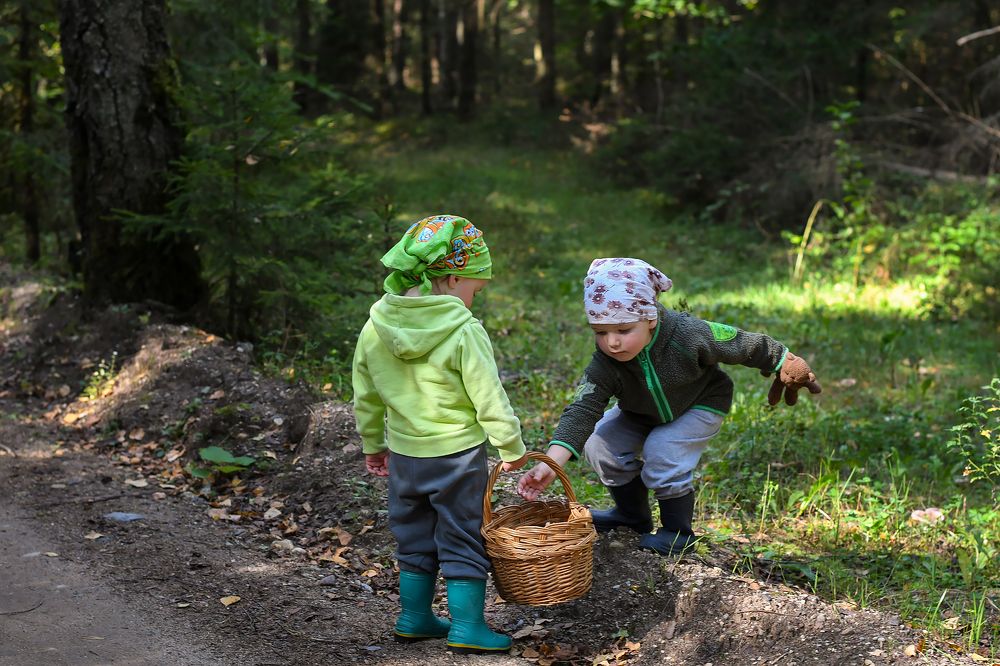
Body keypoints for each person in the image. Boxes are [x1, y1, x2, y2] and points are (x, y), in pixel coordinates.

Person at [517, 257, 821, 555]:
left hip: (699, 404)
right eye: (601, 332)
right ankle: (631, 515)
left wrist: (783, 360)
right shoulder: (606, 363)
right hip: (641, 412)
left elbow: (739, 343)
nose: (612, 342)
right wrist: (550, 464)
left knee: (662, 450)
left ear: (650, 319)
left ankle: (678, 532)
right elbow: (582, 409)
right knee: (599, 443)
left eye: (623, 331)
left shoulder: (686, 335)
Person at [352, 214, 528, 655]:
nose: (474, 299)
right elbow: (489, 396)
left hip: (405, 456)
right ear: (452, 277)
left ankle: (414, 617)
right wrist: (511, 446)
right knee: (463, 534)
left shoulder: (376, 327)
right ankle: (467, 626)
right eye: (475, 288)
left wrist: (374, 445)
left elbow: (366, 395)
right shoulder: (464, 330)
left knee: (412, 535)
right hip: (457, 456)